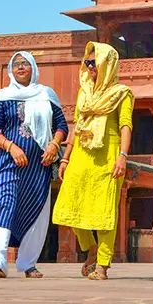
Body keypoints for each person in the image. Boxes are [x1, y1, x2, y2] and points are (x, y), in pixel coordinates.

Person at [0, 51, 68, 278]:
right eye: (16, 64)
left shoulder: (47, 95)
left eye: (25, 64)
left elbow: (62, 126)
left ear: (34, 68)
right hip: (9, 162)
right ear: (10, 69)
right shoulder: (2, 96)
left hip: (39, 166)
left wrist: (54, 146)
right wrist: (11, 146)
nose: (20, 67)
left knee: (35, 209)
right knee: (3, 201)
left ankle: (28, 263)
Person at [52, 42, 134, 280]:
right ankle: (91, 249)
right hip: (81, 153)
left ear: (106, 64)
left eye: (93, 63)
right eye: (87, 63)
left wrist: (123, 156)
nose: (89, 67)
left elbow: (125, 125)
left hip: (109, 152)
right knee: (71, 205)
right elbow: (77, 125)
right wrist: (65, 158)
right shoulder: (84, 91)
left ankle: (103, 264)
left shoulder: (122, 93)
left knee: (105, 211)